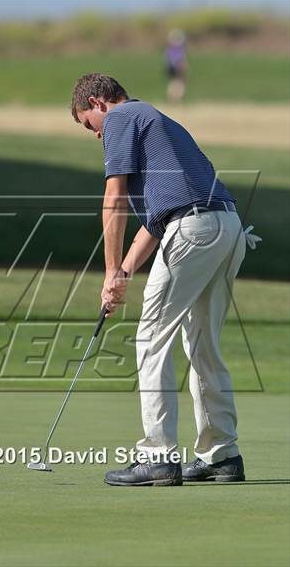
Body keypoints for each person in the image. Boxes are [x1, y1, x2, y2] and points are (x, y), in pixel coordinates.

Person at [70, 73, 261, 487]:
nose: (96, 135)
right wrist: (120, 275)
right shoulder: (156, 123)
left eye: (90, 125)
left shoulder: (121, 118)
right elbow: (154, 227)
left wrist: (107, 269)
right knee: (202, 344)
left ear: (100, 102)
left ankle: (157, 456)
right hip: (225, 226)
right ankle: (221, 455)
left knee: (151, 336)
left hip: (193, 227)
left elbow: (114, 199)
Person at [165, 28, 187, 102]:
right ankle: (176, 98)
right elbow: (180, 59)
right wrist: (182, 66)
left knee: (173, 81)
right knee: (179, 82)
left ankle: (172, 98)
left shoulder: (169, 47)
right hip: (176, 66)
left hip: (170, 66)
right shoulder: (178, 48)